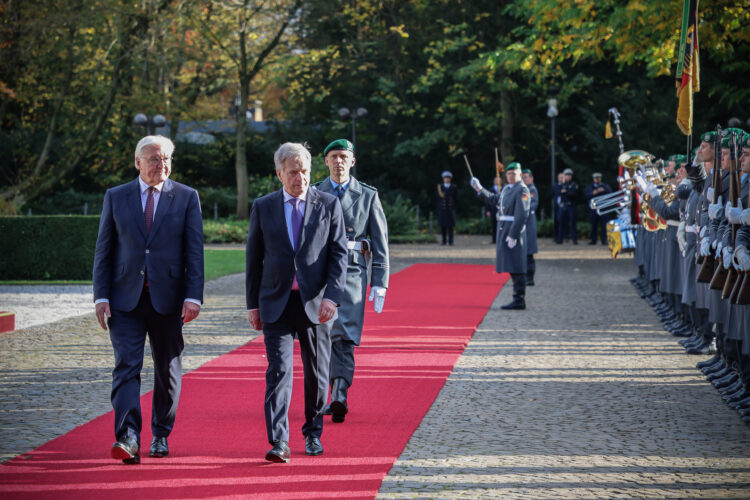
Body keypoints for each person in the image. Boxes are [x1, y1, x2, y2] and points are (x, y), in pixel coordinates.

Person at [92, 135, 204, 464]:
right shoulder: (116, 196)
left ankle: (161, 432)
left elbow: (194, 252)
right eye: (154, 159)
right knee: (126, 366)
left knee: (167, 370)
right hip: (124, 299)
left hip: (168, 299)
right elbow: (104, 250)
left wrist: (193, 296)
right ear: (138, 162)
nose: (162, 164)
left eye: (166, 158)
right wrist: (100, 296)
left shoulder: (186, 197)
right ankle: (128, 436)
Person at [246, 142, 348, 463]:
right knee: (278, 371)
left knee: (317, 373)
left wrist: (333, 297)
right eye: (293, 172)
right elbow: (254, 260)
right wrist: (252, 305)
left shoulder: (328, 204)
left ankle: (313, 432)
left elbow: (339, 255)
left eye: (304, 171)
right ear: (279, 174)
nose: (300, 178)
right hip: (275, 303)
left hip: (315, 303)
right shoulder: (263, 207)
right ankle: (279, 441)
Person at [313, 139, 389, 424]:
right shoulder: (314, 192)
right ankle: (325, 393)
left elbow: (380, 241)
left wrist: (380, 280)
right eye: (333, 156)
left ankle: (339, 393)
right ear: (326, 161)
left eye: (344, 156)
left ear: (352, 161)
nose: (339, 161)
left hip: (353, 272)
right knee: (322, 335)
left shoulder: (367, 195)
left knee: (343, 335)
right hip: (319, 273)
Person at [470, 162, 531, 309]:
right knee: (511, 264)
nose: (510, 176)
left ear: (520, 175)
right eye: (509, 174)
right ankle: (517, 298)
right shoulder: (507, 189)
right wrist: (480, 189)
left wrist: (513, 235)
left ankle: (519, 300)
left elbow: (522, 215)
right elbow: (495, 200)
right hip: (504, 230)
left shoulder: (522, 190)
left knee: (517, 265)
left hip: (512, 231)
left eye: (513, 174)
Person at [584, 172, 613, 245]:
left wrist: (604, 190)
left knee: (604, 225)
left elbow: (610, 194)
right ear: (593, 179)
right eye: (595, 178)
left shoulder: (605, 186)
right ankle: (593, 240)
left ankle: (604, 240)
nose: (597, 179)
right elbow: (585, 196)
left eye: (598, 178)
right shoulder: (590, 187)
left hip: (603, 208)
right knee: (593, 225)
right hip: (593, 208)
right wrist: (593, 193)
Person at [521, 168, 538, 286]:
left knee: (529, 252)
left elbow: (533, 204)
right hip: (523, 223)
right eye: (523, 177)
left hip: (529, 224)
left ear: (531, 178)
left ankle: (530, 277)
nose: (524, 179)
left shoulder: (531, 189)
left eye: (526, 177)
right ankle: (524, 276)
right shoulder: (523, 189)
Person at [559, 168, 579, 244]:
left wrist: (566, 191)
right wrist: (567, 192)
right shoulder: (562, 184)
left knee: (573, 223)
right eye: (567, 175)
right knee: (561, 222)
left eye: (569, 175)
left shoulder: (574, 184)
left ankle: (574, 239)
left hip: (571, 206)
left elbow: (574, 194)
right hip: (564, 205)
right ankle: (560, 239)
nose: (568, 176)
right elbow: (558, 192)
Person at [437, 171, 457, 245]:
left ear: (450, 179)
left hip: (450, 209)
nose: (447, 179)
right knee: (443, 227)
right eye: (445, 178)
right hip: (442, 210)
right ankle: (444, 241)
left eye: (448, 178)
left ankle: (451, 241)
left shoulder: (453, 187)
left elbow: (455, 198)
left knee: (450, 227)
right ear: (443, 179)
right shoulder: (440, 187)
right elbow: (438, 199)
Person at [485, 175, 502, 243]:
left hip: (501, 210)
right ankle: (494, 239)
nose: (497, 181)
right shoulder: (491, 189)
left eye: (498, 180)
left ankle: (500, 239)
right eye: (496, 180)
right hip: (493, 210)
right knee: (494, 225)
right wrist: (488, 210)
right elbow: (487, 200)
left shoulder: (504, 189)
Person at [552, 172, 565, 243]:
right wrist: (560, 191)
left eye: (562, 177)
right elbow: (553, 194)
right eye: (560, 177)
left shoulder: (566, 185)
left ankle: (561, 237)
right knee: (556, 222)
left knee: (562, 222)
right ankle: (556, 236)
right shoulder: (555, 186)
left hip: (563, 206)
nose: (561, 179)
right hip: (556, 206)